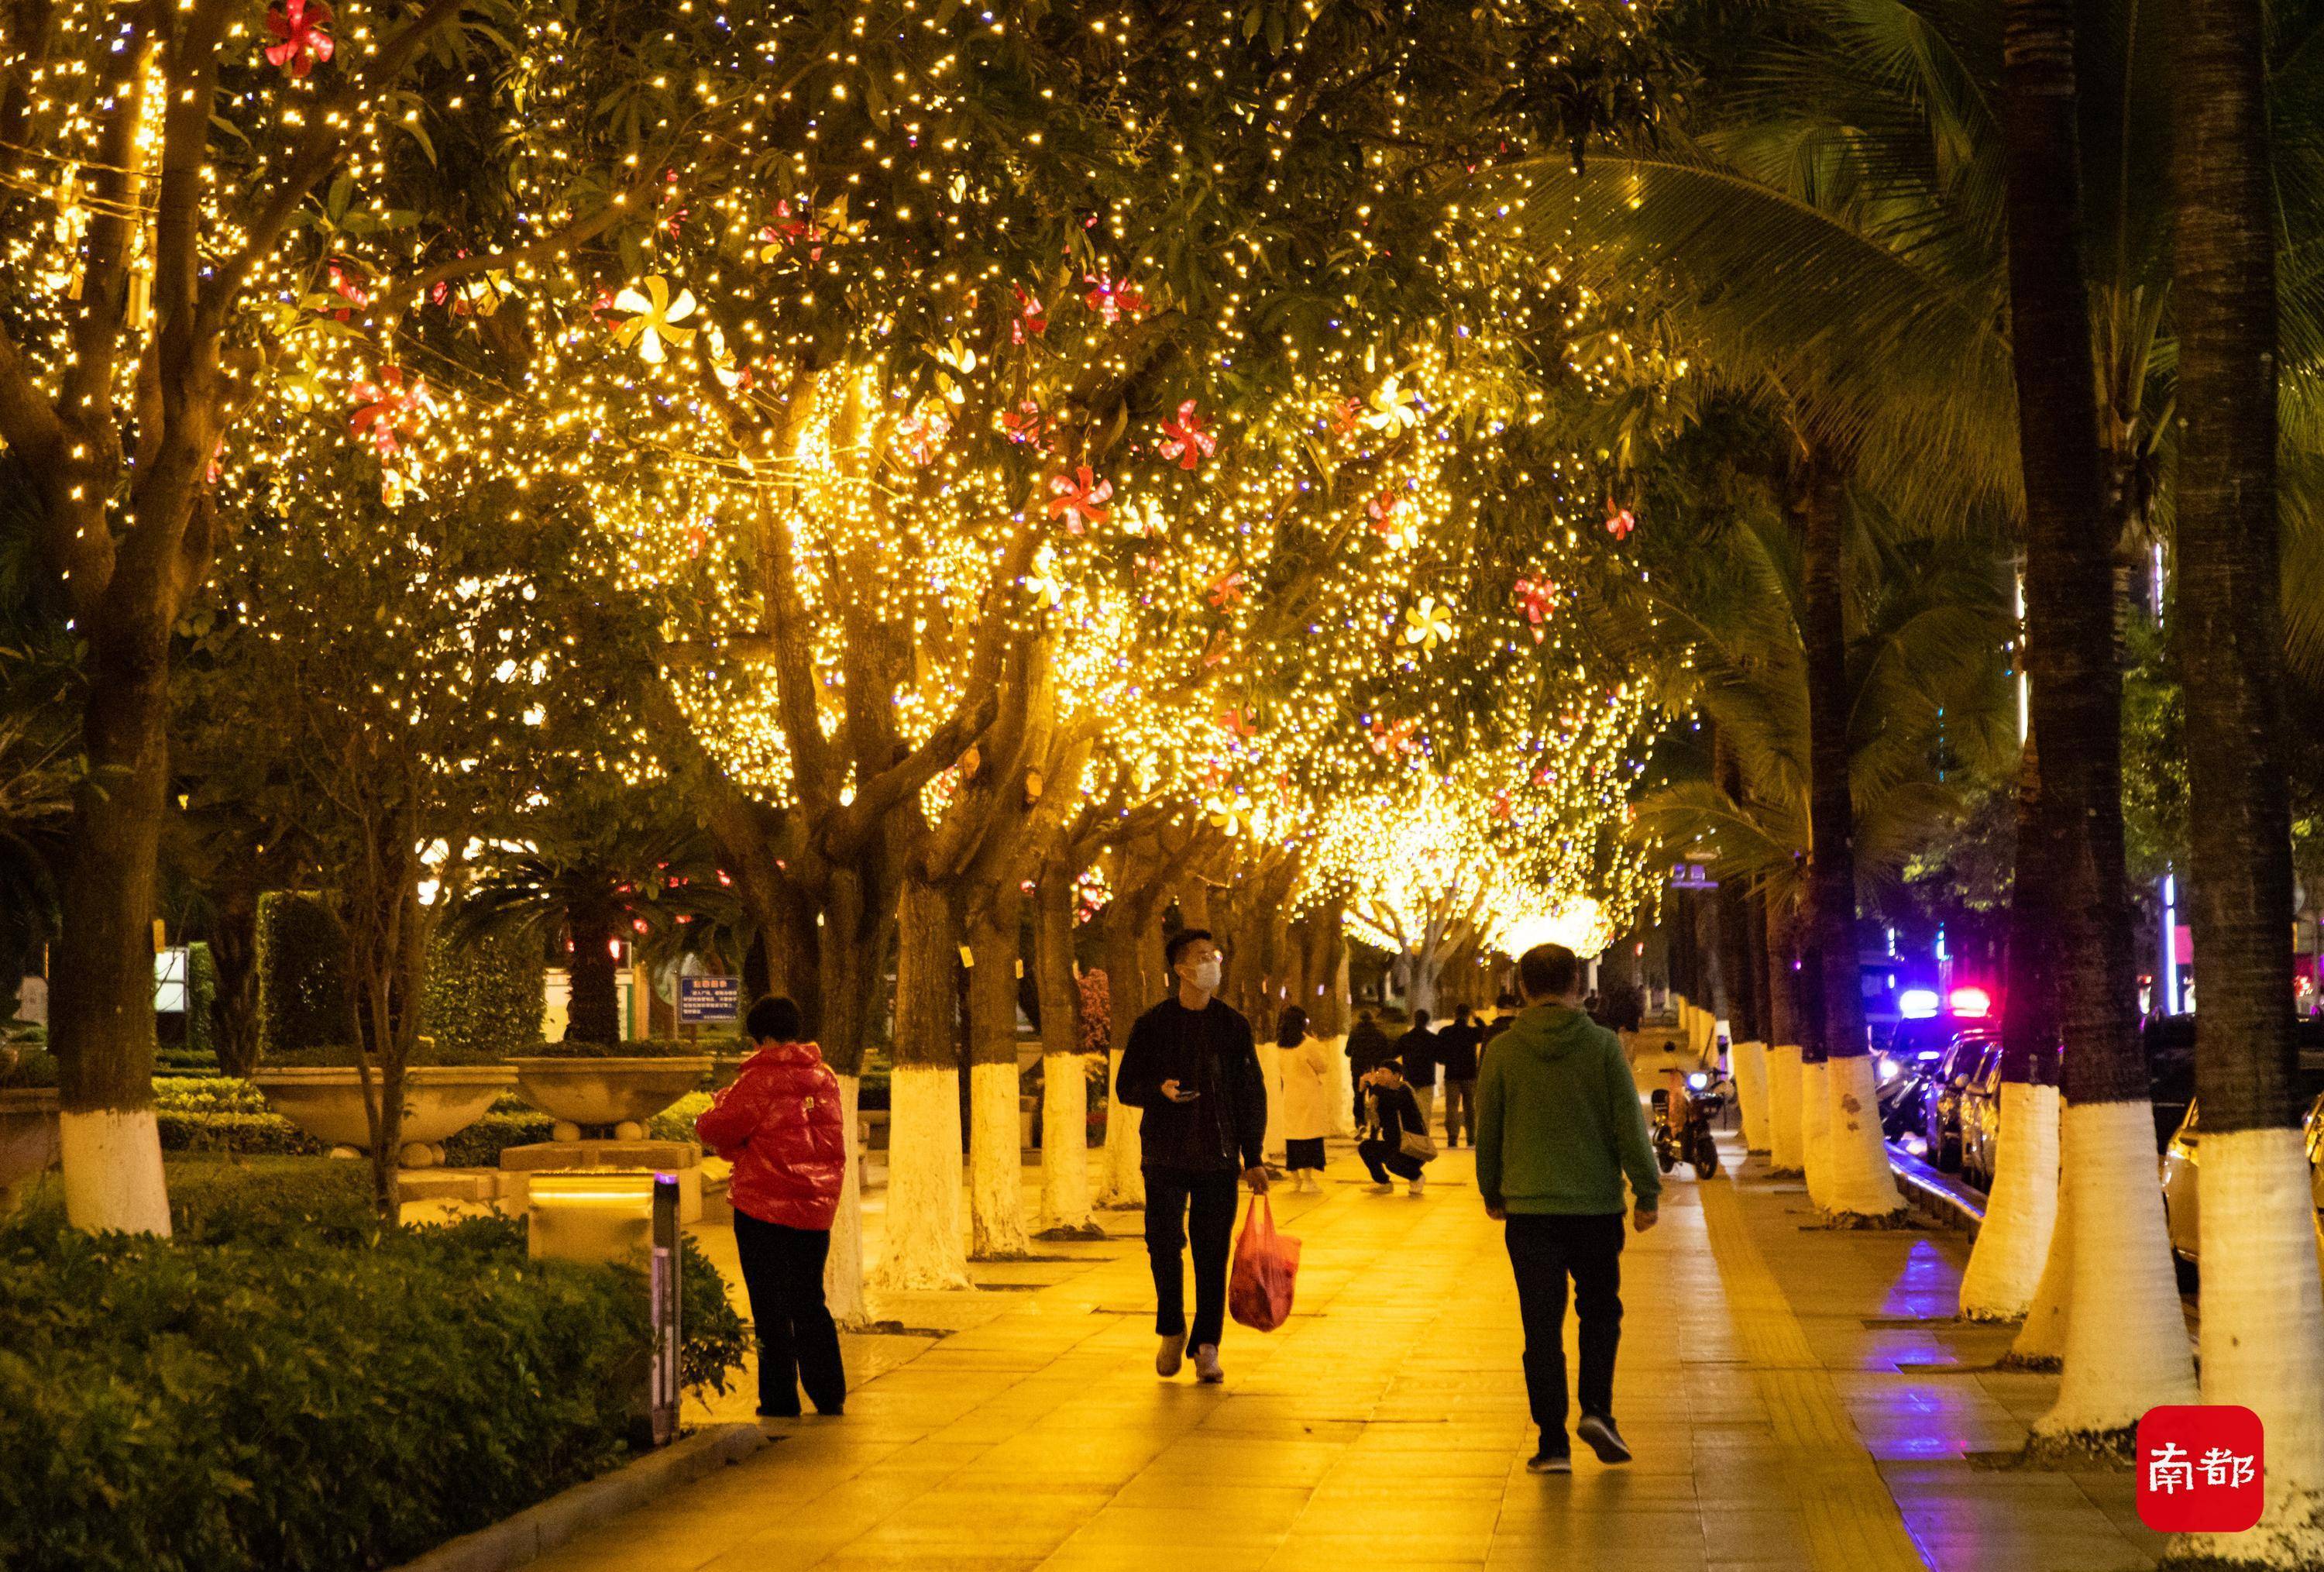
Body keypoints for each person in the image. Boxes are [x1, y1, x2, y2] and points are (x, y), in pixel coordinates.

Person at [1477, 943, 1661, 1475]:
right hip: (1596, 1207)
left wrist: (1492, 1190)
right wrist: (1646, 1193)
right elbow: (1629, 1122)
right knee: (1599, 1310)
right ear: (1578, 986)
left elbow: (1490, 1129)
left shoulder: (1503, 1051)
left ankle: (1553, 1441)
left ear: (1525, 989)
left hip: (1530, 1209)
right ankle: (1598, 1410)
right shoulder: (1603, 1047)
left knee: (1541, 1325)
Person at [1116, 928, 1269, 1384]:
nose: (1211, 963)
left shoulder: (1232, 1025)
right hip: (1164, 1154)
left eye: (1214, 955)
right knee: (1163, 1243)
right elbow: (1126, 1087)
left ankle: (1207, 1346)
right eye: (1201, 957)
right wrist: (1158, 1093)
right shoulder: (1152, 1024)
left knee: (1211, 1251)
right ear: (1180, 969)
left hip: (1218, 1157)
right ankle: (1171, 1327)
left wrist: (1253, 1155)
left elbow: (1250, 1094)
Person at [695, 994, 849, 1419]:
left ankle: (781, 1400)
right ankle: (829, 1392)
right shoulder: (826, 1078)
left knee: (770, 1305)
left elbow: (715, 1129)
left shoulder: (758, 1081)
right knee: (809, 1300)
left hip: (763, 1207)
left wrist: (716, 1105)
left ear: (759, 1035)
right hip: (816, 1208)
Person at [1277, 1006, 1333, 1192]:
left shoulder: (1280, 1045)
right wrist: (1318, 1044)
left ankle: (1296, 1180)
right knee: (1310, 1139)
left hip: (1291, 1097)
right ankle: (1308, 1180)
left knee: (1293, 1139)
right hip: (1309, 1096)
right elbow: (1323, 1066)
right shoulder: (1309, 1044)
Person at [1356, 1062, 1430, 1195]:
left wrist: (1375, 1086)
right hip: (1394, 1144)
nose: (1379, 1075)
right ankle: (1383, 1183)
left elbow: (1394, 1101)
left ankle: (1416, 1177)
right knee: (1365, 1147)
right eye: (1378, 1072)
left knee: (1392, 1162)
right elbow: (1361, 1113)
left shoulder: (1404, 1090)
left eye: (1384, 1072)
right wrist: (1361, 1091)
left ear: (1396, 1076)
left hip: (1412, 1147)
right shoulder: (1380, 1092)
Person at [1437, 1003, 1483, 1147]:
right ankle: (1471, 1137)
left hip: (1452, 1074)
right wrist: (1477, 1018)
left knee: (1452, 1106)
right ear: (1468, 1015)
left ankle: (1452, 1137)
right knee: (1470, 1107)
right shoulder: (1472, 1032)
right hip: (1469, 1074)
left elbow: (1439, 1053)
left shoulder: (1445, 1032)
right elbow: (1486, 1032)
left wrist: (1445, 1061)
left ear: (1454, 1015)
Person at [1345, 1007, 1395, 1116]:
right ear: (1372, 1019)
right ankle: (1374, 1128)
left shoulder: (1355, 1033)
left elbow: (1347, 1052)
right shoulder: (1379, 1033)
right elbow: (1387, 1053)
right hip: (1375, 1070)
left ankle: (1360, 1122)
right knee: (1375, 1096)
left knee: (1358, 1096)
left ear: (1360, 1019)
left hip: (1358, 1069)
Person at [1397, 1009, 1439, 1130]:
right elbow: (1441, 1057)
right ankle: (1424, 1140)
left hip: (1410, 1080)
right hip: (1427, 1080)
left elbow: (1393, 1053)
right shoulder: (1432, 1039)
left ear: (1415, 1020)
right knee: (1425, 1114)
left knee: (1409, 1113)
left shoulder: (1406, 1038)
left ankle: (1411, 1140)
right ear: (1427, 1021)